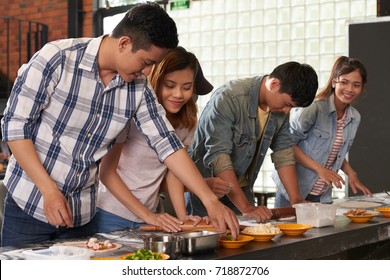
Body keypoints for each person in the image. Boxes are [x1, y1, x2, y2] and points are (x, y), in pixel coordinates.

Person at [0, 2, 239, 247]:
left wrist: (210, 201)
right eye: (145, 62)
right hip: (29, 202)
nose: (147, 72)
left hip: (80, 215)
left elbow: (167, 143)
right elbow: (15, 127)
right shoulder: (57, 58)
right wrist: (48, 190)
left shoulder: (138, 88)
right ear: (124, 43)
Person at [95, 46, 231, 233]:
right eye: (170, 85)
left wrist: (182, 217)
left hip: (153, 216)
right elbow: (107, 174)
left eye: (186, 87)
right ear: (156, 81)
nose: (178, 94)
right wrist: (147, 215)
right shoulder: (131, 112)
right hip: (110, 213)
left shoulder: (187, 122)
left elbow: (174, 171)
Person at [186, 61, 319, 222]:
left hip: (241, 190)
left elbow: (283, 152)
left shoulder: (278, 108)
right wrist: (246, 207)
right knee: (211, 242)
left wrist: (296, 200)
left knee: (249, 241)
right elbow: (218, 156)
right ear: (274, 84)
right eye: (287, 104)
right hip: (208, 190)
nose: (287, 111)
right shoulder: (229, 97)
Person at [273, 56, 372, 207]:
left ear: (362, 88)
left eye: (356, 85)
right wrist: (320, 169)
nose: (350, 89)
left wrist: (350, 172)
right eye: (344, 82)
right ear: (334, 82)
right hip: (294, 191)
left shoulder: (354, 118)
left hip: (322, 196)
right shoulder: (314, 108)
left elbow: (334, 150)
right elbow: (286, 146)